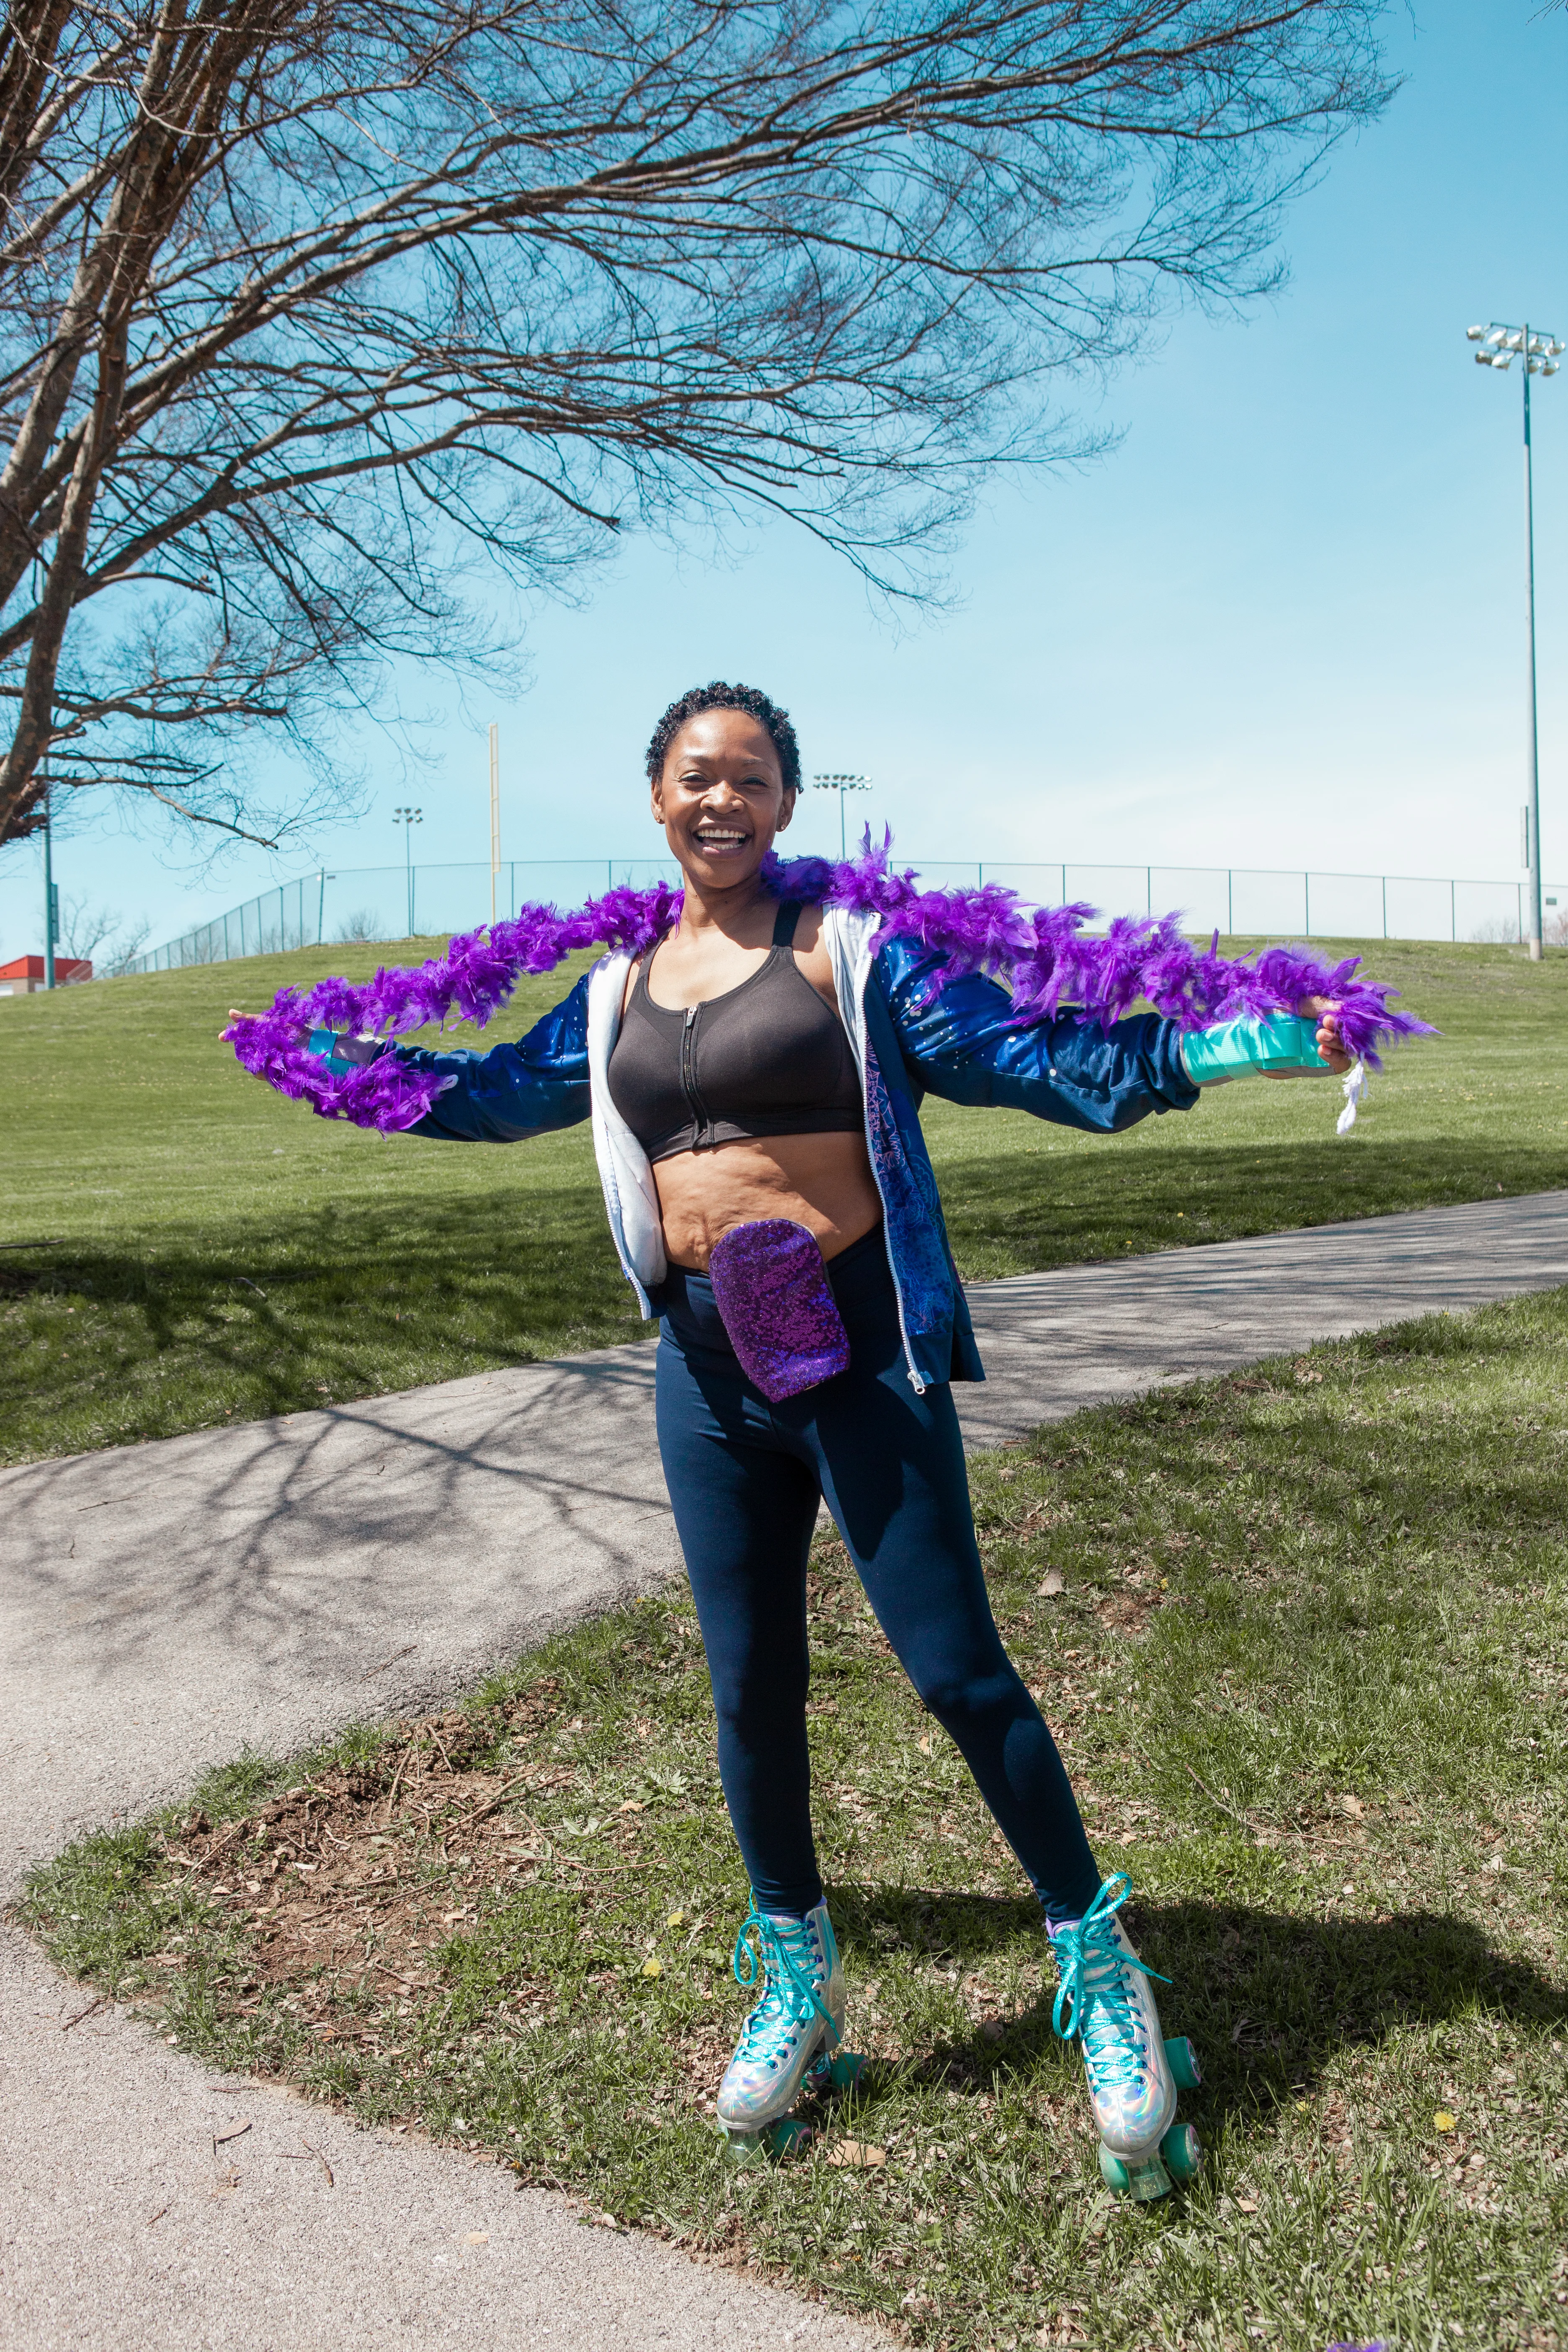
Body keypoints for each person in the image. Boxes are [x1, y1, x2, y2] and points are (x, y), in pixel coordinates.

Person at [310, 681, 1349, 2189]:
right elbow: (499, 1097)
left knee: (956, 1672)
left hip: (860, 1358)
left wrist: (1255, 1042)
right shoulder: (615, 984)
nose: (718, 799)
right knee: (748, 1688)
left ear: (789, 803)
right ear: (655, 802)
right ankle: (796, 1975)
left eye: (747, 776)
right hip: (706, 1375)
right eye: (691, 777)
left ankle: (1102, 1965)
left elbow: (1043, 1058)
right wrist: (332, 1070)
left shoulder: (849, 954)